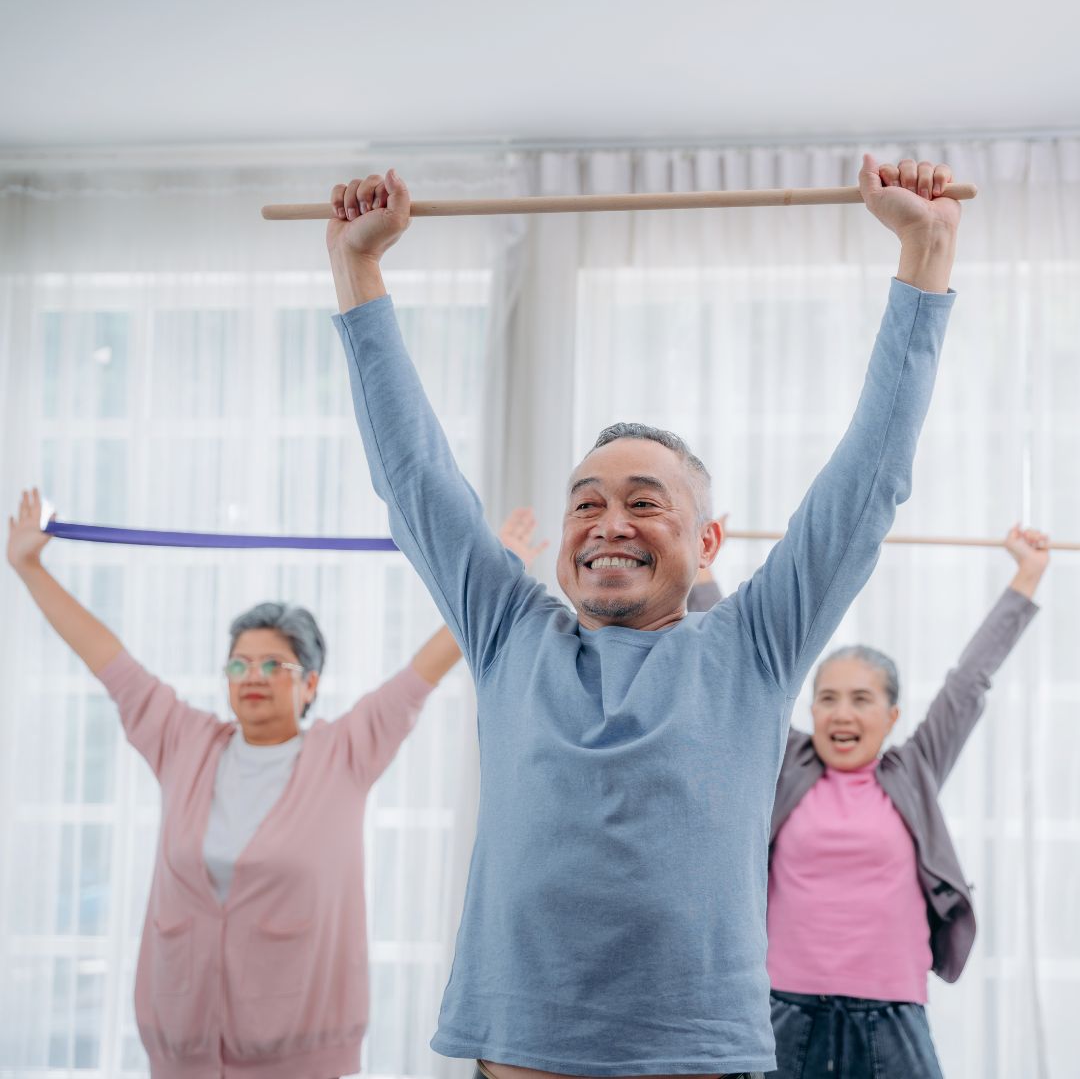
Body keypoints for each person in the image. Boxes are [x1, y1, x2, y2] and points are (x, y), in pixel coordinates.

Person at [327, 155, 960, 1078]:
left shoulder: (751, 646)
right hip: (521, 1054)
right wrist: (358, 270)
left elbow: (869, 484)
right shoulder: (509, 634)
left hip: (694, 1056)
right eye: (586, 502)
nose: (609, 522)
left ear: (707, 543)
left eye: (643, 501)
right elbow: (412, 476)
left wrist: (924, 251)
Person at [6, 487, 546, 1079]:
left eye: (273, 665)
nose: (252, 677)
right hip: (179, 1046)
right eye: (238, 664)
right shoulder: (183, 741)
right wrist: (28, 568)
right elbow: (108, 657)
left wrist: (496, 573)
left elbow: (426, 666)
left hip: (301, 1053)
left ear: (310, 684)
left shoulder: (346, 750)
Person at [761, 526, 1047, 1078]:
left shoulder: (914, 770)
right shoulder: (786, 763)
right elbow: (744, 678)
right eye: (828, 700)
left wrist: (1027, 574)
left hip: (892, 1014)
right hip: (784, 1009)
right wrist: (700, 575)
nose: (842, 714)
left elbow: (968, 684)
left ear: (891, 718)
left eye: (861, 699)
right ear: (811, 711)